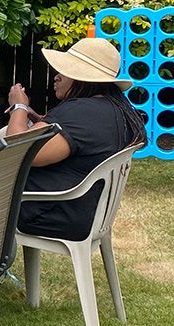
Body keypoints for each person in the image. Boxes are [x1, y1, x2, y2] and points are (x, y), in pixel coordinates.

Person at [7, 37, 145, 242]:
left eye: (65, 71)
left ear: (83, 78)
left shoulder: (81, 112)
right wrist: (43, 121)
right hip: (85, 211)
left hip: (49, 213)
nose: (57, 76)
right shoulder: (114, 109)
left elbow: (18, 150)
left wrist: (19, 106)